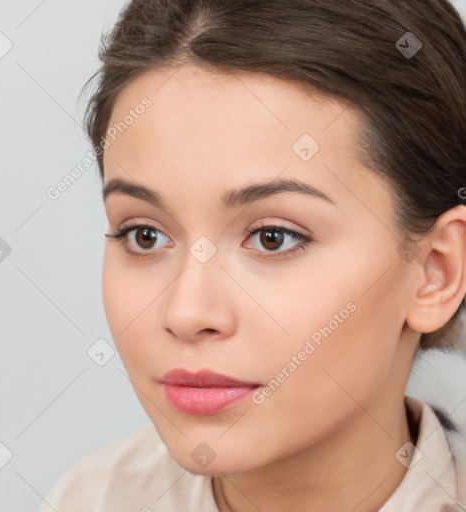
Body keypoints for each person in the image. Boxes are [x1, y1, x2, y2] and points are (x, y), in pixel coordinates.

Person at [39, 0, 466, 510]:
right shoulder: (92, 498)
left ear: (437, 271)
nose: (187, 313)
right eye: (144, 235)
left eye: (273, 238)